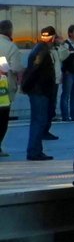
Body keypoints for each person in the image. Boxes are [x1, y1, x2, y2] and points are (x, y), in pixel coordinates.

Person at [21, 27, 57, 161]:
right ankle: (34, 151)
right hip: (40, 91)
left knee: (37, 121)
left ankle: (35, 150)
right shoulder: (42, 51)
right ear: (52, 38)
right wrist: (26, 86)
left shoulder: (37, 48)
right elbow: (34, 71)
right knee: (39, 121)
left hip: (38, 90)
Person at [0, 20, 21, 158]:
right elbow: (16, 68)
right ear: (10, 31)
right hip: (4, 90)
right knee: (2, 120)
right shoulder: (11, 47)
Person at [60, 25, 74, 122]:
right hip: (68, 73)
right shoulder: (65, 44)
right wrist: (65, 70)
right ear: (70, 33)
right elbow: (63, 58)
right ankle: (65, 115)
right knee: (66, 94)